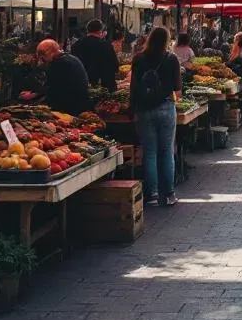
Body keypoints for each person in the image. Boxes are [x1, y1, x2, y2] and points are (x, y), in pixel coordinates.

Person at [130, 27, 183, 206]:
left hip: (144, 109)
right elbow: (177, 86)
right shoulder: (171, 59)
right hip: (166, 107)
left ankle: (151, 195)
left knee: (150, 152)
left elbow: (134, 87)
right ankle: (169, 194)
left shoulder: (138, 59)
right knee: (167, 151)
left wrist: (132, 109)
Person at [36, 39, 92, 115]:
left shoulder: (58, 63)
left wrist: (33, 95)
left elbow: (52, 87)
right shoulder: (72, 58)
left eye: (43, 57)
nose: (43, 60)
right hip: (81, 104)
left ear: (48, 53)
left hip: (68, 108)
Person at [71, 19, 118, 91]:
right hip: (103, 85)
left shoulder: (76, 45)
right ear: (100, 31)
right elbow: (114, 65)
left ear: (87, 30)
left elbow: (73, 65)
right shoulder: (106, 46)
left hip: (82, 84)